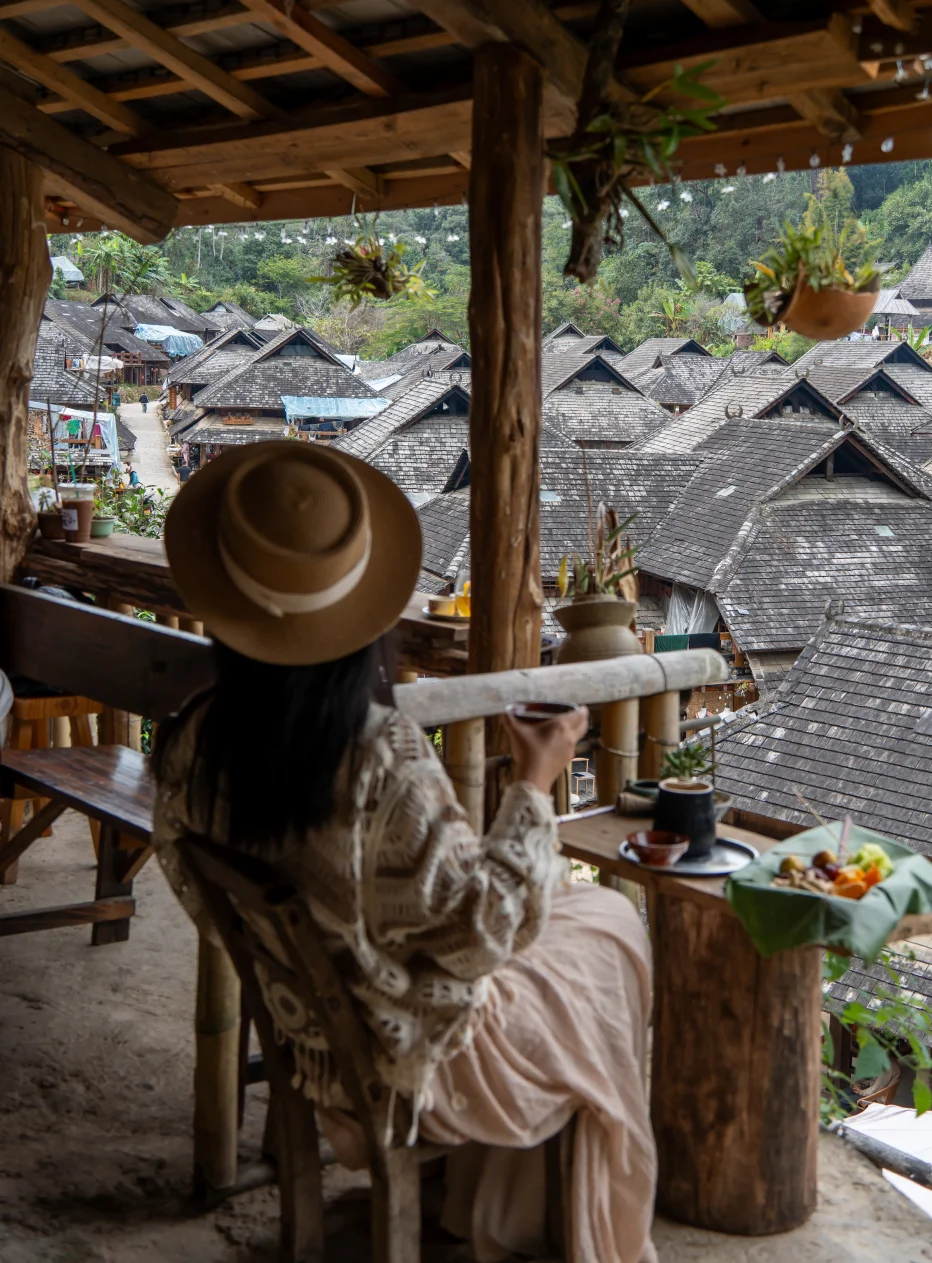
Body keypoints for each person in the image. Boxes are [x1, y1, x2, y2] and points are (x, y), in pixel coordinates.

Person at [152, 443, 657, 1263]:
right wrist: (536, 777)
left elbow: (212, 897)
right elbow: (482, 934)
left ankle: (489, 1202)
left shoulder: (198, 735)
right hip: (403, 1059)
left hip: (312, 1028)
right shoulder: (378, 759)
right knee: (609, 928)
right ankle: (548, 1214)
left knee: (579, 914)